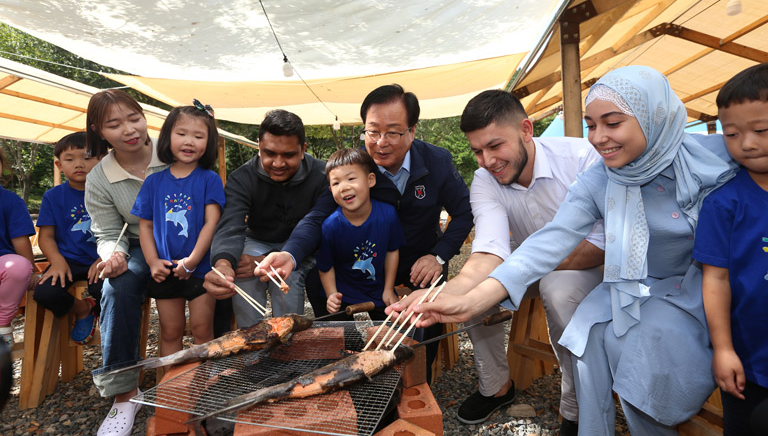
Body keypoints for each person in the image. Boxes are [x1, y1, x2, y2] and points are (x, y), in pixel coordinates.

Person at [405, 66, 739, 435]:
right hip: (639, 282)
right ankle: (570, 410)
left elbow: (594, 248)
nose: (599, 137)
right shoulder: (602, 177)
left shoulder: (720, 155)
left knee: (605, 321)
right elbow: (533, 244)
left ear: (654, 115)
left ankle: (602, 409)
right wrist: (460, 299)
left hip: (707, 279)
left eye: (612, 123)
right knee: (592, 334)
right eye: (592, 125)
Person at [259, 84, 473, 376]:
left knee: (424, 316)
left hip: (418, 263)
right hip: (368, 263)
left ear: (412, 130)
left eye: (393, 132)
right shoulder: (353, 166)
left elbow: (464, 213)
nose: (381, 142)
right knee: (317, 282)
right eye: (372, 131)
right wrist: (290, 254)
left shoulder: (437, 162)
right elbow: (317, 216)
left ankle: (419, 378)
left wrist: (438, 256)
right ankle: (342, 360)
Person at [425, 90, 604, 432]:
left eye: (495, 146)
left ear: (525, 130)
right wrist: (450, 292)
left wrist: (517, 272)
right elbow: (489, 251)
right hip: (527, 266)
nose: (487, 161)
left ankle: (576, 407)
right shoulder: (483, 180)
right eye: (477, 151)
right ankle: (496, 388)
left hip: (590, 265)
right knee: (475, 290)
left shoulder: (582, 158)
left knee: (558, 287)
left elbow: (604, 244)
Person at [85, 88, 168, 436]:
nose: (130, 129)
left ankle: (223, 372)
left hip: (187, 235)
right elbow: (105, 232)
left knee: (215, 279)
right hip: (134, 241)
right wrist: (113, 256)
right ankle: (124, 395)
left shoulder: (172, 149)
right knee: (117, 287)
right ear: (99, 131)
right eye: (115, 124)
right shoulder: (99, 178)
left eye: (134, 118)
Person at [693, 63, 768, 436]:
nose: (747, 143)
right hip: (751, 358)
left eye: (761, 130)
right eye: (732, 133)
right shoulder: (723, 204)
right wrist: (723, 349)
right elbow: (716, 279)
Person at [202, 110, 327, 328]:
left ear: (303, 150)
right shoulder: (242, 177)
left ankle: (287, 343)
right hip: (259, 240)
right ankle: (252, 345)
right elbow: (230, 223)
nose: (278, 163)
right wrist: (223, 264)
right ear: (258, 146)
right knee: (241, 270)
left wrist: (267, 259)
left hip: (305, 248)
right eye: (269, 153)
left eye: (288, 155)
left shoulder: (323, 175)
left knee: (285, 276)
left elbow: (315, 227)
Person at [131, 103, 225, 367]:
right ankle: (170, 390)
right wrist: (152, 262)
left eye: (199, 136)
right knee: (170, 331)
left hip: (200, 269)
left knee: (201, 330)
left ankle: (202, 387)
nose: (189, 142)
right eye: (181, 133)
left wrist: (192, 261)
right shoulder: (153, 181)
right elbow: (145, 226)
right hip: (165, 269)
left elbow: (211, 223)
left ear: (209, 141)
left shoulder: (209, 179)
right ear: (167, 136)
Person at [317, 148, 405, 320]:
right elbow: (325, 266)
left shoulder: (388, 214)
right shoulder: (331, 225)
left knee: (389, 339)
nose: (344, 187)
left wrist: (388, 288)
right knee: (345, 343)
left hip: (378, 293)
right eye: (336, 183)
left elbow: (392, 251)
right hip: (344, 295)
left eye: (351, 178)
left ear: (370, 180)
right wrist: (331, 294)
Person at [32, 131, 103, 345]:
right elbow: (45, 237)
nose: (79, 164)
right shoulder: (53, 196)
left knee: (109, 291)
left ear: (100, 161)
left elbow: (122, 232)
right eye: (70, 159)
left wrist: (104, 258)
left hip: (101, 259)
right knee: (45, 293)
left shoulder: (107, 192)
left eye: (87, 157)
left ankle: (113, 334)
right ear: (59, 165)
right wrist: (57, 261)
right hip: (68, 260)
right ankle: (84, 309)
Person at [0, 146, 34, 348]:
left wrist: (31, 270)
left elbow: (20, 239)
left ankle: (2, 323)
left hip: (4, 262)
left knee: (19, 266)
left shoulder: (11, 201)